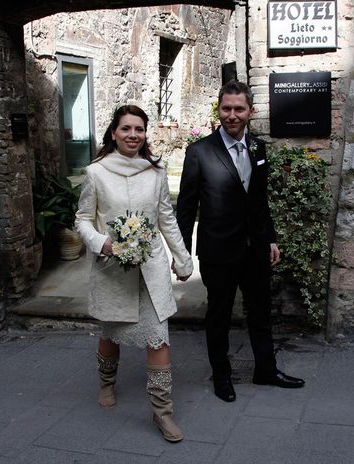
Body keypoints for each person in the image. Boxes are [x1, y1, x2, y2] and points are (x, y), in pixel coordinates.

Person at [176, 80, 305, 403]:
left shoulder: (258, 148)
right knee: (218, 315)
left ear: (251, 111)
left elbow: (259, 200)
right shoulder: (199, 152)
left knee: (261, 311)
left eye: (239, 109)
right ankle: (222, 375)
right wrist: (181, 254)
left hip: (255, 248)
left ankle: (266, 370)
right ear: (218, 110)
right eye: (226, 109)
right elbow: (186, 207)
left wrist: (270, 239)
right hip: (218, 250)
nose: (232, 115)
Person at [75, 105, 193, 442]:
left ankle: (162, 412)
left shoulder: (155, 172)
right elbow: (83, 219)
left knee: (158, 335)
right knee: (112, 331)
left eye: (139, 129)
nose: (132, 135)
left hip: (151, 267)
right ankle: (106, 383)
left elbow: (165, 219)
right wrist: (102, 243)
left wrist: (182, 259)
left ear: (145, 134)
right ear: (114, 132)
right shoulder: (96, 172)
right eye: (126, 129)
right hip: (112, 268)